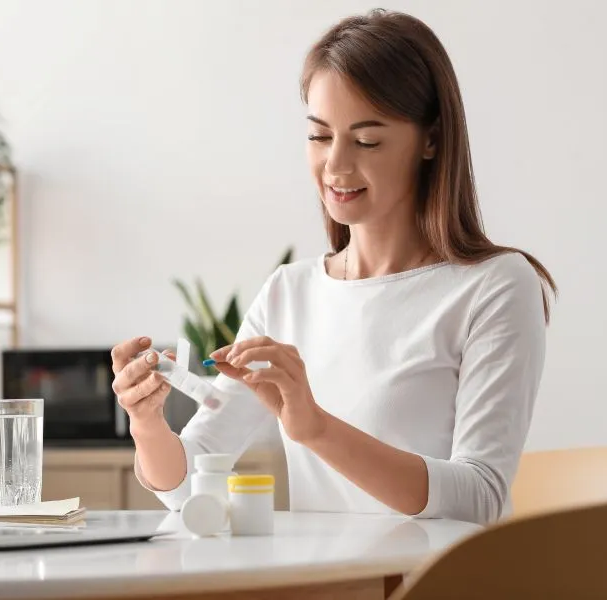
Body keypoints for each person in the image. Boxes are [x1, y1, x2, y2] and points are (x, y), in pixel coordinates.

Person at [110, 8, 556, 526]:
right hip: (326, 581)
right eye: (320, 136)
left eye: (367, 140)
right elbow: (187, 486)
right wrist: (146, 424)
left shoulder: (495, 286)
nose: (336, 166)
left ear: (431, 140)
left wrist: (316, 427)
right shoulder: (289, 292)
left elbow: (479, 495)